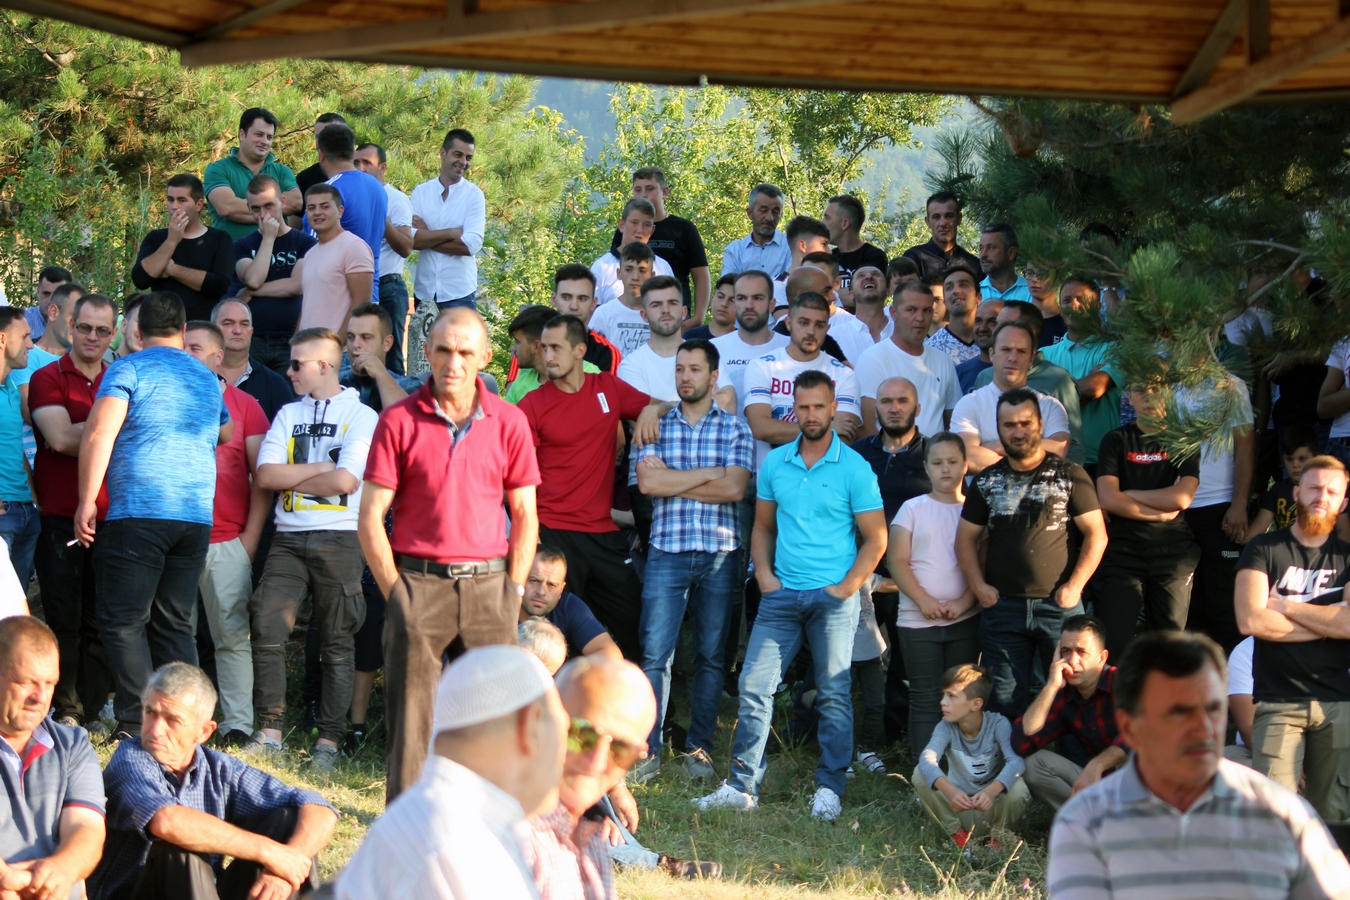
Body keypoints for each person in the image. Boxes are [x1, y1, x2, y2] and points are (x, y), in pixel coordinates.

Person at [361, 307, 541, 799]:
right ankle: (406, 828)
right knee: (410, 726)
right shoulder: (398, 420)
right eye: (443, 350)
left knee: (491, 723)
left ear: (485, 356)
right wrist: (396, 594)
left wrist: (514, 590)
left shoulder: (509, 421)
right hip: (419, 584)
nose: (453, 362)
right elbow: (370, 517)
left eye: (465, 352)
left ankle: (486, 824)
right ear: (427, 353)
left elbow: (525, 514)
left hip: (490, 587)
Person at [694, 370, 886, 822]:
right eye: (804, 407)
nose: (812, 414)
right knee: (753, 686)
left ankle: (830, 788)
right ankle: (742, 786)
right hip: (781, 595)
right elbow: (763, 526)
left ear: (834, 408)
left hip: (833, 599)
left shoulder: (855, 467)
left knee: (834, 693)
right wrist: (763, 575)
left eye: (820, 406)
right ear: (793, 409)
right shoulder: (776, 463)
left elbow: (877, 538)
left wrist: (846, 588)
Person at [1048, 630, 1350, 900]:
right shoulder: (1085, 821)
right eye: (1180, 711)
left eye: (1213, 708)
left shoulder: (1282, 811)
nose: (1204, 727)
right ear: (1130, 727)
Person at [76, 291, 232, 737]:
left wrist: (87, 500)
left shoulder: (128, 368)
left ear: (138, 331)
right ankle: (183, 721)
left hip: (139, 510)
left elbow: (98, 433)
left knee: (123, 619)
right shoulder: (205, 377)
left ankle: (134, 720)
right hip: (194, 516)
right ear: (183, 331)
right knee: (174, 622)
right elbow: (225, 432)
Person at [334, 645, 567, 900]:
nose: (570, 755)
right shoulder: (461, 844)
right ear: (531, 724)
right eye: (569, 732)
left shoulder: (452, 816)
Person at [89, 662, 337, 900]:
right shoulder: (130, 759)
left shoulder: (219, 768)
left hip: (197, 892)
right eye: (150, 713)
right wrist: (270, 853)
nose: (155, 730)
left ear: (204, 731)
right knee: (180, 845)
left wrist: (288, 862)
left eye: (172, 720)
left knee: (289, 820)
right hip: (132, 893)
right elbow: (167, 822)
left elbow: (319, 807)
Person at [246, 327, 376, 770]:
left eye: (297, 364)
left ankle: (329, 743)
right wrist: (321, 465)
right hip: (287, 538)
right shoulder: (287, 413)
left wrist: (294, 475)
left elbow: (346, 481)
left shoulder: (361, 415)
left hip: (340, 539)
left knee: (337, 641)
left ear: (323, 365)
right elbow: (265, 475)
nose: (289, 371)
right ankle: (270, 732)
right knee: (267, 625)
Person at [635, 339, 752, 782]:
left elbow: (734, 489)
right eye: (680, 369)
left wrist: (674, 481)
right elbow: (648, 485)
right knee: (655, 655)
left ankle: (698, 750)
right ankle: (647, 750)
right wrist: (707, 474)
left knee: (711, 656)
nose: (685, 377)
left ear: (714, 376)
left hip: (720, 553)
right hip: (667, 550)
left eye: (695, 369)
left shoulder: (736, 429)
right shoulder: (656, 426)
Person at [956, 387, 1106, 717]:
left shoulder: (1070, 474)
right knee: (1004, 703)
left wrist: (1075, 586)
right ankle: (1012, 754)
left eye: (1025, 423)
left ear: (1039, 424)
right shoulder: (987, 480)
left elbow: (1097, 534)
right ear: (998, 428)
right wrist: (979, 588)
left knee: (1072, 696)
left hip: (1060, 607)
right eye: (1009, 425)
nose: (1018, 431)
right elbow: (964, 540)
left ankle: (1068, 753)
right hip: (1003, 608)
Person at [518, 314, 657, 662]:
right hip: (553, 532)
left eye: (556, 348)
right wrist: (531, 532)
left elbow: (660, 407)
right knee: (553, 636)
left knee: (636, 623)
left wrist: (650, 411)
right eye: (544, 348)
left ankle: (638, 694)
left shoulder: (607, 387)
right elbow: (519, 477)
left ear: (580, 350)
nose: (548, 356)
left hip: (602, 532)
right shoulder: (532, 404)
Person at [1235, 456, 1350, 825]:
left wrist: (1284, 605)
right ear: (1297, 492)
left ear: (1343, 502)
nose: (1322, 497)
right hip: (1278, 701)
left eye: (1332, 492)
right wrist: (1330, 619)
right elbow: (1250, 619)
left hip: (1337, 703)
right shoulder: (1263, 548)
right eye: (1315, 488)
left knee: (1334, 819)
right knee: (1275, 819)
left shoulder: (1348, 558)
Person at [181, 322, 270, 747]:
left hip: (226, 541)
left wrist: (249, 538)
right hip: (176, 538)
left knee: (232, 637)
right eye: (183, 347)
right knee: (176, 633)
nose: (186, 354)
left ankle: (237, 724)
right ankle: (181, 719)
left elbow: (262, 478)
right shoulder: (165, 397)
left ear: (218, 358)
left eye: (196, 348)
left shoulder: (246, 406)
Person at [31, 292, 116, 733]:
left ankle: (94, 707)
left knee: (101, 620)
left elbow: (72, 433)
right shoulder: (47, 377)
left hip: (113, 517)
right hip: (60, 514)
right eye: (85, 327)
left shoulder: (121, 378)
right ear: (70, 325)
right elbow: (60, 439)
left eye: (102, 330)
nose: (92, 337)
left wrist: (90, 428)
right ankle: (66, 708)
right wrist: (112, 426)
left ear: (113, 334)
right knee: (63, 618)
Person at [523, 656, 658, 900]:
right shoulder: (507, 838)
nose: (596, 761)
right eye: (582, 735)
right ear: (545, 721)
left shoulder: (591, 839)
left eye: (621, 749)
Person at [0, 617, 105, 900]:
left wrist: (61, 869)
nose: (40, 697)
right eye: (26, 682)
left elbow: (86, 827)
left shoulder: (73, 745)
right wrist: (6, 880)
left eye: (50, 683)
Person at [888, 431, 979, 752]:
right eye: (937, 463)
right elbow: (896, 560)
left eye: (953, 462)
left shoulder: (975, 511)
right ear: (926, 467)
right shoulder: (912, 509)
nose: (945, 469)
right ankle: (926, 771)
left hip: (964, 620)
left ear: (965, 465)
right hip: (917, 621)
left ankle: (961, 767)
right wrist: (923, 601)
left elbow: (983, 564)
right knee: (926, 697)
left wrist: (965, 602)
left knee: (962, 696)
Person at [1094, 388, 1202, 658]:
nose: (1150, 396)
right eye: (1142, 390)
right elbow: (1107, 498)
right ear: (1129, 397)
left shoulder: (1183, 440)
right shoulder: (1115, 440)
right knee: (1114, 645)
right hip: (1122, 554)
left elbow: (1182, 498)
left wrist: (1128, 494)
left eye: (1157, 388)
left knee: (1169, 647)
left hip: (1172, 556)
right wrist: (1159, 513)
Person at [1011, 616, 1127, 810]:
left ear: (1102, 658)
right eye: (1066, 651)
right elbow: (1021, 743)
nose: (1072, 661)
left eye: (1082, 652)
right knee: (1032, 764)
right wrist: (1051, 686)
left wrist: (1097, 765)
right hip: (1100, 783)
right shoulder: (1065, 695)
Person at [913, 664, 1029, 849]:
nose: (943, 702)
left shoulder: (998, 723)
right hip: (959, 807)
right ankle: (958, 836)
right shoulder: (945, 726)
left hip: (991, 808)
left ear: (976, 704)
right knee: (920, 773)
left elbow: (1016, 762)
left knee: (1019, 787)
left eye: (951, 696)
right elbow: (927, 760)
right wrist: (951, 792)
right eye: (943, 695)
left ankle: (998, 839)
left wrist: (990, 792)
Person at [743, 291, 861, 468]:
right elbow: (760, 428)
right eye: (804, 323)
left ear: (827, 328)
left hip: (826, 479)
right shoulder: (762, 366)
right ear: (789, 323)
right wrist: (828, 428)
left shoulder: (845, 375)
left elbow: (844, 437)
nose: (811, 331)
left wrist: (781, 430)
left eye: (819, 325)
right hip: (773, 479)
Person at [1182, 378, 1256, 652]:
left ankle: (1234, 677)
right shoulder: (1165, 382)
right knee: (1189, 608)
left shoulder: (1230, 385)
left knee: (1223, 606)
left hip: (1221, 507)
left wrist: (1239, 504)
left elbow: (1245, 447)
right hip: (1177, 510)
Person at [951, 321, 1072, 473]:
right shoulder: (969, 404)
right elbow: (966, 457)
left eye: (1021, 351)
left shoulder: (1050, 406)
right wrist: (1029, 456)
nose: (1013, 358)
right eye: (1006, 349)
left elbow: (1058, 450)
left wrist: (997, 446)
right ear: (992, 354)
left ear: (1031, 358)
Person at [232, 174, 316, 376]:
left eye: (269, 205)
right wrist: (268, 239)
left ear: (282, 202)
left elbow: (296, 285)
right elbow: (253, 279)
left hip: (291, 338)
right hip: (253, 338)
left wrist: (250, 293)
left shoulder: (305, 243)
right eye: (256, 208)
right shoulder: (242, 245)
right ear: (248, 208)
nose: (263, 214)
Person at [856, 280, 960, 439]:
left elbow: (953, 422)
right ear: (893, 313)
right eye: (911, 310)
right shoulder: (872, 359)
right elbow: (867, 428)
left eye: (927, 311)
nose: (920, 318)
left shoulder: (943, 361)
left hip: (935, 453)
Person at [1041, 277, 1123, 477]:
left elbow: (1093, 389)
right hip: (1053, 460)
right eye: (1067, 300)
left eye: (1081, 299)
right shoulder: (1044, 354)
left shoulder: (1115, 350)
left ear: (1097, 306)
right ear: (1061, 309)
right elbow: (1034, 401)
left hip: (1102, 461)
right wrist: (1087, 380)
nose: (1073, 305)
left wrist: (1052, 395)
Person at [132, 174, 235, 322]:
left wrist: (172, 270)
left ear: (198, 205)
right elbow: (140, 280)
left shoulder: (219, 239)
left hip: (202, 326)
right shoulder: (155, 238)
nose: (174, 206)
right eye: (170, 199)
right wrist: (171, 241)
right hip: (161, 325)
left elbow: (220, 285)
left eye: (182, 200)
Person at [307, 123, 386, 304]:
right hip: (371, 292)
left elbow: (312, 249)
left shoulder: (329, 191)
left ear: (321, 154)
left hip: (336, 296)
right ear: (352, 152)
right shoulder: (377, 187)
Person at [353, 142, 414, 375]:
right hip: (357, 284)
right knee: (358, 352)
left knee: (391, 357)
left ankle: (396, 399)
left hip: (388, 287)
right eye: (356, 162)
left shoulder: (395, 198)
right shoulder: (350, 196)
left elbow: (406, 247)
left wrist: (381, 217)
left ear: (383, 168)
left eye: (367, 163)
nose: (360, 168)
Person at [409, 128, 486, 311]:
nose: (463, 162)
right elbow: (412, 239)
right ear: (443, 153)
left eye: (468, 157)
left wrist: (427, 235)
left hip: (459, 294)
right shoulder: (421, 192)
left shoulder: (474, 195)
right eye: (458, 154)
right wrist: (452, 233)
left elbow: (471, 246)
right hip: (424, 293)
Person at [624, 167, 710, 325]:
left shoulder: (683, 228)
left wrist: (698, 317)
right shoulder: (627, 229)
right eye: (638, 190)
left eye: (650, 188)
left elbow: (701, 277)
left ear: (664, 192)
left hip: (676, 316)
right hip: (634, 316)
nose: (643, 195)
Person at [203, 107, 302, 241]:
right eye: (259, 134)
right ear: (242, 134)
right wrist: (274, 210)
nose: (265, 141)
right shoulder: (218, 169)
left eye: (269, 137)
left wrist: (244, 210)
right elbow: (227, 208)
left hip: (277, 251)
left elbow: (296, 203)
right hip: (233, 252)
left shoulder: (282, 171)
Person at [297, 183, 374, 337]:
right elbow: (307, 306)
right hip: (308, 346)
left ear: (340, 211)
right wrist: (296, 343)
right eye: (311, 208)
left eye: (325, 207)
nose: (317, 212)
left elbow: (361, 302)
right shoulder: (310, 253)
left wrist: (337, 343)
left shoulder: (353, 247)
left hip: (336, 347)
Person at [519, 547, 622, 660]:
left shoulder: (568, 606)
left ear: (561, 590)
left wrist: (572, 670)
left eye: (551, 585)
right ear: (520, 578)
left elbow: (612, 656)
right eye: (534, 581)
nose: (541, 592)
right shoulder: (504, 606)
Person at [710, 270, 788, 412]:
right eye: (741, 298)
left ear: (772, 304)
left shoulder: (789, 347)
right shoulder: (712, 350)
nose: (749, 305)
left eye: (757, 298)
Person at [0, 308, 38, 587]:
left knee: (17, 607)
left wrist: (34, 501)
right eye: (24, 336)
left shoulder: (12, 386)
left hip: (25, 511)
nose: (31, 344)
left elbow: (16, 447)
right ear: (2, 339)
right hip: (3, 514)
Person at [209, 299, 294, 420]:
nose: (237, 331)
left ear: (251, 331)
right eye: (228, 323)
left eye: (244, 324)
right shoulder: (196, 377)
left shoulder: (274, 384)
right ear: (212, 330)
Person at [505, 305, 600, 405]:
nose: (513, 348)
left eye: (518, 341)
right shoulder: (521, 382)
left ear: (536, 346)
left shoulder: (591, 375)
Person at [590, 200, 674, 308]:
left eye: (647, 225)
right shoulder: (602, 267)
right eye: (634, 222)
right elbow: (593, 313)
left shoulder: (663, 268)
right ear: (622, 225)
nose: (640, 230)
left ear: (652, 230)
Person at [340, 302, 420, 413]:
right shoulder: (334, 382)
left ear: (387, 343)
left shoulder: (408, 385)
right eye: (350, 337)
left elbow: (406, 419)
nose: (355, 344)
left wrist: (381, 374)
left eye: (365, 337)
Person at [589, 242, 665, 360]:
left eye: (642, 270)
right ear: (619, 273)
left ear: (652, 275)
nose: (635, 277)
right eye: (629, 269)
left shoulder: (661, 315)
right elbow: (590, 358)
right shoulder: (603, 314)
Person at [1249, 425, 1322, 539]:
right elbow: (1257, 529)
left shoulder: (1327, 491)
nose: (1295, 465)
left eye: (1302, 459)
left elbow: (1343, 533)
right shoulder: (1278, 490)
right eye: (1290, 459)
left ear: (1316, 458)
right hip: (1283, 548)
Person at [547, 264, 621, 374]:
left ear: (593, 303)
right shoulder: (534, 343)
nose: (574, 306)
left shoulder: (606, 352)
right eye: (566, 297)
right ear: (554, 299)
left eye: (582, 298)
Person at [900, 192, 981, 280]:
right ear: (928, 222)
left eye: (949, 216)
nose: (943, 223)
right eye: (936, 217)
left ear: (959, 218)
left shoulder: (973, 265)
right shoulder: (913, 258)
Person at [822, 194, 887, 302]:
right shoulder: (828, 257)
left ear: (844, 224)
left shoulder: (874, 257)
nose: (822, 222)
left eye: (827, 218)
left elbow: (866, 296)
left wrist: (827, 295)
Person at [722, 183, 790, 280]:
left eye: (775, 212)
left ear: (781, 215)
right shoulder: (735, 251)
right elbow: (728, 286)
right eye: (763, 210)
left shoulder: (791, 246)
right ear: (750, 213)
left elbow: (794, 284)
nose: (769, 218)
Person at [925, 264, 981, 366]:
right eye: (949, 287)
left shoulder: (992, 340)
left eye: (963, 285)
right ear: (945, 300)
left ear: (978, 297)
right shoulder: (931, 348)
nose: (956, 291)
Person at [771, 215, 832, 307]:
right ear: (803, 246)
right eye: (824, 244)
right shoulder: (778, 287)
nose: (829, 251)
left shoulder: (826, 284)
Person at [955, 298, 1004, 394]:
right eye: (978, 321)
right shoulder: (959, 372)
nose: (982, 328)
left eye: (992, 322)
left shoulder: (1016, 371)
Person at [293, 112, 346, 198]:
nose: (323, 140)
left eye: (328, 135)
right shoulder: (304, 179)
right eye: (319, 136)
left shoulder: (362, 174)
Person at [976, 224, 1031, 302]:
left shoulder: (1031, 293)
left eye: (991, 248)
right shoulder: (974, 294)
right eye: (981, 248)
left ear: (1011, 253)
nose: (983, 255)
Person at [1024, 261, 1067, 346]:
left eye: (1043, 274)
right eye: (1030, 273)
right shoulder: (1017, 318)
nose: (1034, 279)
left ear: (1059, 278)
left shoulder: (1067, 323)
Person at [24, 265, 71, 341]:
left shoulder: (77, 323)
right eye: (46, 294)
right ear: (38, 291)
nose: (50, 301)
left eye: (57, 295)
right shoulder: (22, 322)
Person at [683, 273, 737, 340]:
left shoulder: (745, 341)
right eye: (720, 297)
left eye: (732, 300)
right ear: (712, 299)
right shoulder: (691, 337)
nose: (724, 304)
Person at [850, 265, 890, 343]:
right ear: (851, 294)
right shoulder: (834, 337)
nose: (868, 277)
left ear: (888, 291)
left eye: (876, 274)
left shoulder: (905, 332)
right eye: (860, 276)